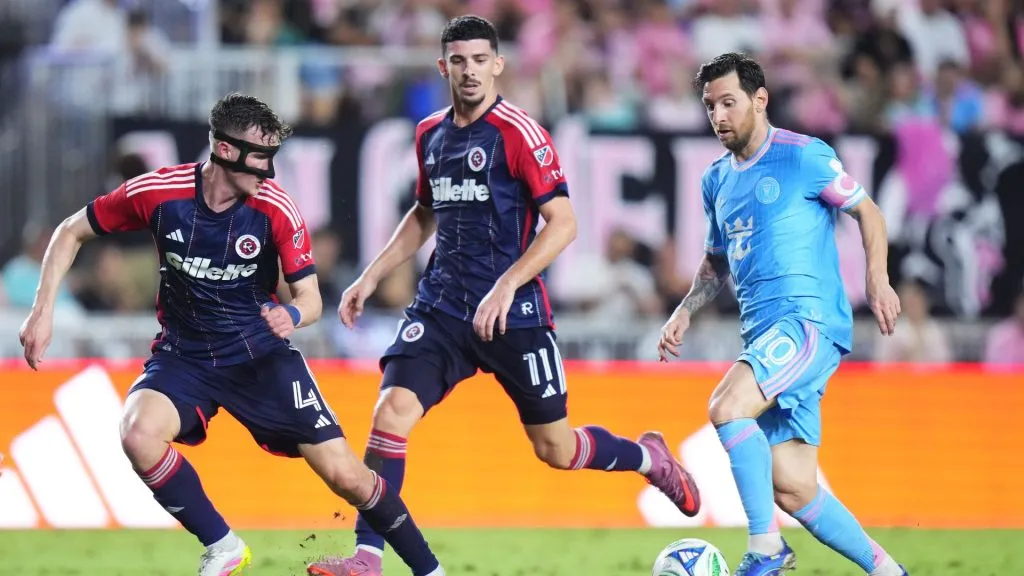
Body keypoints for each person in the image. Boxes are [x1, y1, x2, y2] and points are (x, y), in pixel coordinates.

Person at [326, 15, 701, 575]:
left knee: (556, 449)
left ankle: (650, 458)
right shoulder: (430, 133)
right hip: (443, 306)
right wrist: (373, 275)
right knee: (390, 411)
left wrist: (507, 285)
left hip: (514, 311)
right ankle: (367, 556)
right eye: (459, 61)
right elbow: (425, 211)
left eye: (480, 60)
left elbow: (564, 222)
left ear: (498, 64)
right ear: (443, 67)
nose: (470, 71)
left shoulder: (520, 133)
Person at [17, 92, 446, 576]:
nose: (268, 169)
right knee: (137, 435)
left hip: (260, 357)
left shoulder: (276, 210)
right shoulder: (160, 193)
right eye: (259, 155)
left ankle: (429, 570)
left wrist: (293, 316)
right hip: (185, 357)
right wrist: (42, 311)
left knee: (346, 475)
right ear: (224, 150)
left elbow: (311, 300)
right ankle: (223, 546)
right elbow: (70, 231)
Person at [657, 52, 909, 576]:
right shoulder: (716, 181)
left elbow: (867, 210)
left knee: (727, 408)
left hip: (807, 323)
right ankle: (889, 572)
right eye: (710, 107)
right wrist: (685, 311)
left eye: (729, 102)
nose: (719, 116)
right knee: (794, 487)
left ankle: (766, 549)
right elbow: (716, 261)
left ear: (760, 99)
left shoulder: (804, 156)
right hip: (765, 335)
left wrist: (877, 278)